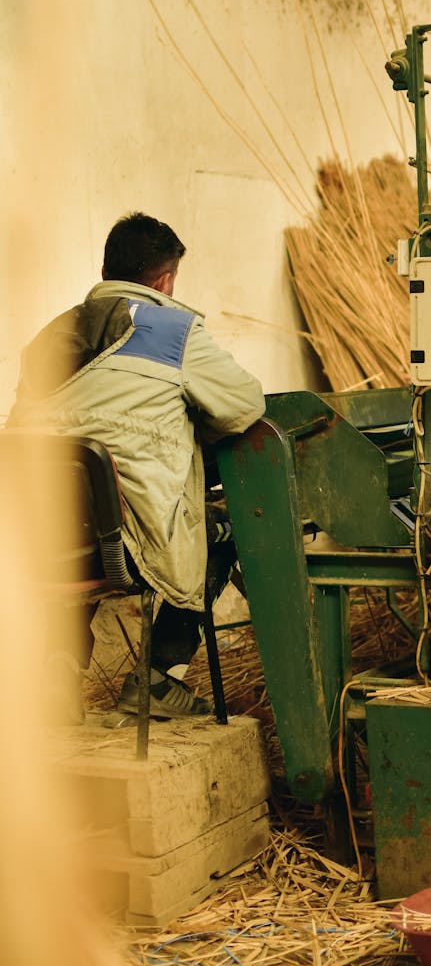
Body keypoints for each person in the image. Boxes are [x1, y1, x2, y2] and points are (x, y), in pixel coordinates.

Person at [6, 212, 265, 720]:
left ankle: (59, 672)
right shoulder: (172, 331)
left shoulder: (45, 339)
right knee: (220, 533)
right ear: (165, 280)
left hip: (42, 539)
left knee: (85, 516)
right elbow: (244, 404)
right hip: (123, 547)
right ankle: (156, 678)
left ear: (108, 270)